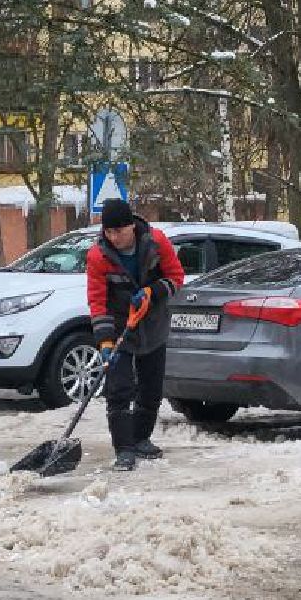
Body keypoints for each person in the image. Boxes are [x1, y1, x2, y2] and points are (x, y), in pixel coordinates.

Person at [85, 199, 186, 471]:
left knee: (151, 388)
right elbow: (98, 302)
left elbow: (176, 277)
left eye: (119, 231)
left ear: (131, 226)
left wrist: (153, 292)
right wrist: (106, 341)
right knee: (118, 389)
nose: (114, 237)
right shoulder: (98, 256)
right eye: (108, 232)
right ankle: (124, 448)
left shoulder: (156, 243)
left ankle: (141, 438)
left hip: (153, 322)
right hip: (120, 325)